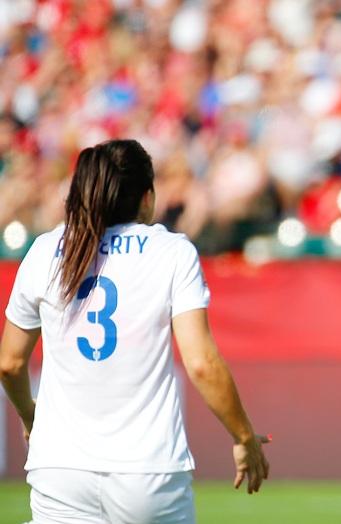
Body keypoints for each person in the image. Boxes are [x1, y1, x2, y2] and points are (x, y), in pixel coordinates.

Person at [0, 139, 270, 523]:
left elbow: (10, 363)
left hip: (59, 471)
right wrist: (244, 438)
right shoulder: (171, 252)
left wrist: (31, 418)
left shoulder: (44, 251)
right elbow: (201, 364)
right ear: (147, 198)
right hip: (147, 472)